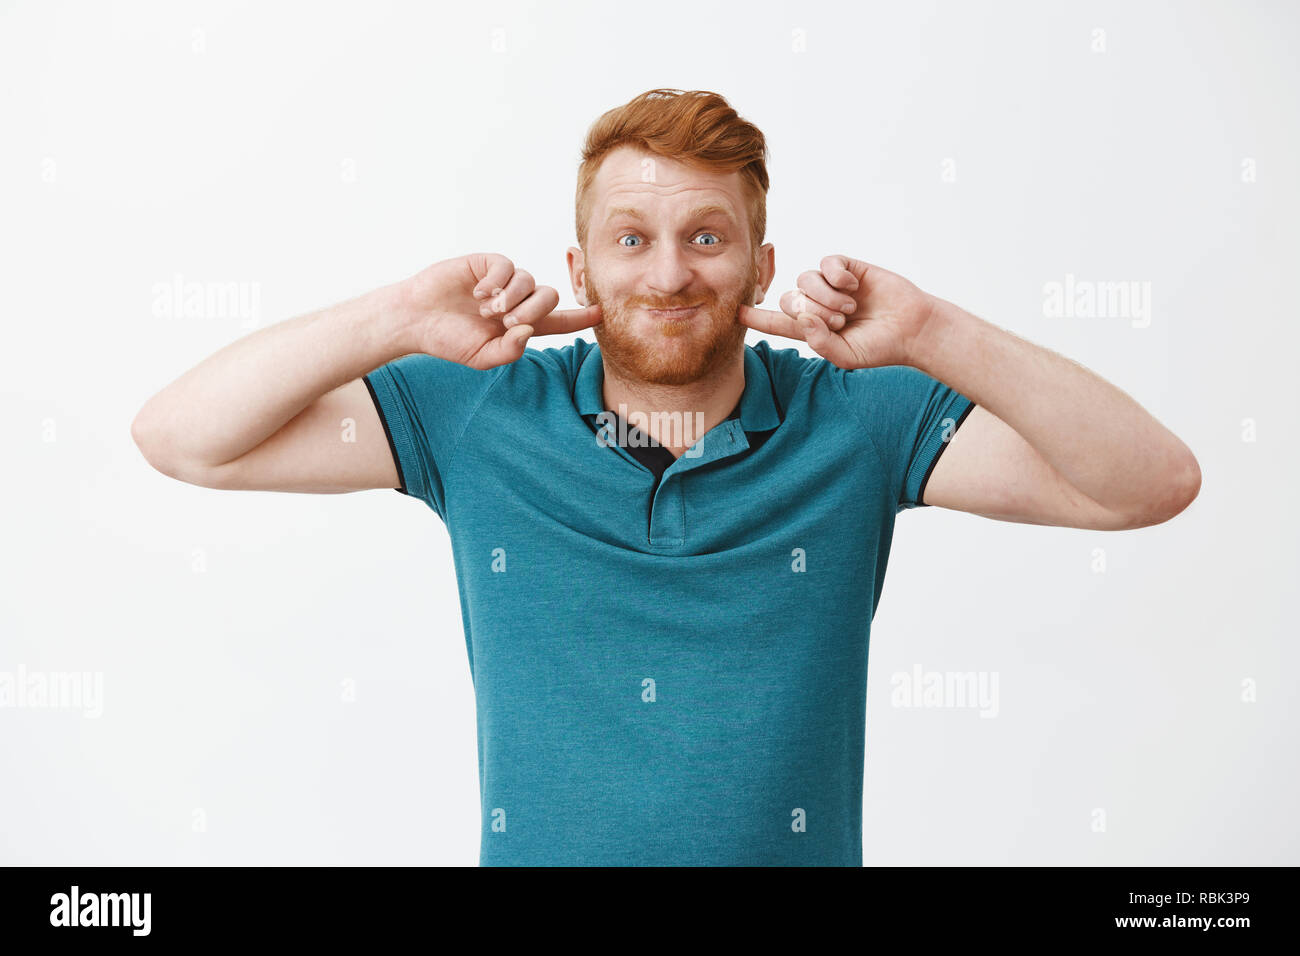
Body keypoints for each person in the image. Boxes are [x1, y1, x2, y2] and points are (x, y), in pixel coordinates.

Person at [131, 88, 1201, 866]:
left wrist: (930, 330)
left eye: (706, 236)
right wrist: (396, 316)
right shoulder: (478, 411)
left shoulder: (857, 416)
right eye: (631, 238)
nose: (670, 272)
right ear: (580, 269)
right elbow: (185, 437)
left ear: (760, 267)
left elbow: (1145, 483)